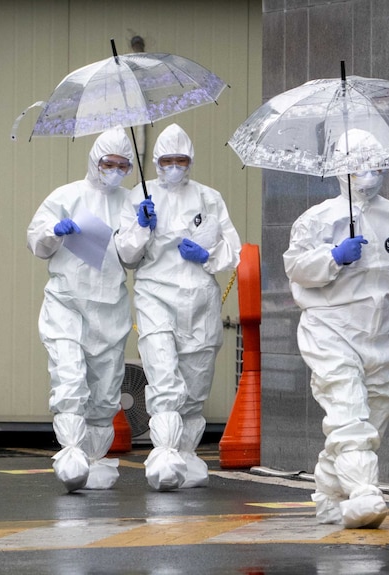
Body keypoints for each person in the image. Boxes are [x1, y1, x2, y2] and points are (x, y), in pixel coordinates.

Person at [283, 129, 389, 529]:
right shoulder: (318, 220)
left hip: (382, 334)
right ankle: (364, 496)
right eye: (359, 167)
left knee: (369, 421)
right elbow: (296, 266)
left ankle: (328, 496)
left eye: (376, 166)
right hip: (331, 330)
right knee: (349, 415)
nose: (369, 175)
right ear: (341, 170)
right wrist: (333, 256)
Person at [115, 123, 241, 491]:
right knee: (165, 377)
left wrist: (208, 255)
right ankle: (165, 450)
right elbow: (126, 254)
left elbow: (232, 251)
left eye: (180, 160)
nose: (174, 166)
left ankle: (185, 453)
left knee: (196, 384)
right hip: (156, 296)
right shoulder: (139, 197)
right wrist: (141, 226)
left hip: (200, 301)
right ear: (155, 162)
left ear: (191, 161)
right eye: (167, 160)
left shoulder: (209, 198)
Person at [26, 128, 135, 492]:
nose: (114, 170)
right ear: (94, 160)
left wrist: (145, 228)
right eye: (108, 163)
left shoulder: (131, 201)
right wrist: (55, 231)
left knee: (105, 392)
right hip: (67, 301)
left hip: (110, 306)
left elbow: (134, 257)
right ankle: (71, 452)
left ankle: (94, 458)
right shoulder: (67, 196)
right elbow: (37, 241)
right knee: (70, 378)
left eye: (123, 165)